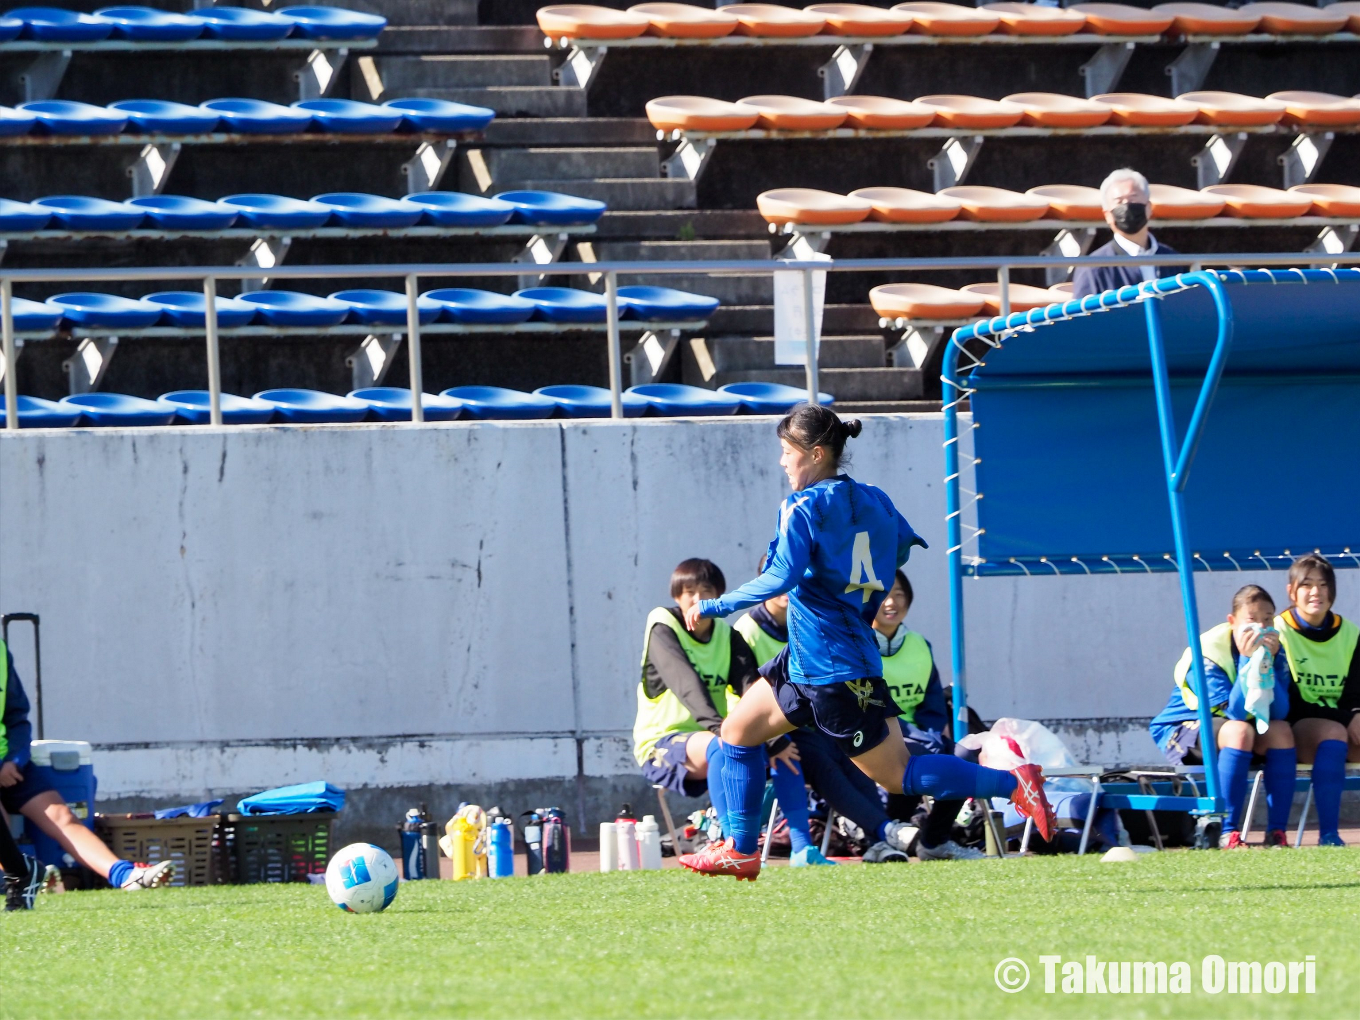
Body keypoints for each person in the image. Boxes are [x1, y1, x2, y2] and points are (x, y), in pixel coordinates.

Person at [677, 405, 1055, 880]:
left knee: (898, 775)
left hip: (832, 668)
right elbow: (903, 546)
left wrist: (714, 607)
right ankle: (741, 848)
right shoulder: (875, 498)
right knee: (735, 733)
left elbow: (779, 576)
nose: (782, 463)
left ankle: (1014, 782)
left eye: (786, 453)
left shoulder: (801, 507)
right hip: (813, 658)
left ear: (814, 454)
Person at [633, 558, 830, 866]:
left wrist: (774, 737)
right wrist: (722, 732)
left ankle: (803, 848)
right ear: (676, 596)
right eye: (689, 591)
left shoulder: (726, 636)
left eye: (706, 590)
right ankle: (734, 847)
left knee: (785, 752)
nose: (698, 598)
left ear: (720, 595)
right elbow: (687, 686)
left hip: (711, 735)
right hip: (663, 743)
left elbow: (752, 688)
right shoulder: (662, 625)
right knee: (723, 746)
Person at [736, 584, 917, 863]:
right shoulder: (747, 629)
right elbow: (742, 688)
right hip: (776, 733)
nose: (787, 587)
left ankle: (877, 841)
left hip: (816, 721)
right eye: (780, 578)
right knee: (820, 762)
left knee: (857, 762)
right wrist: (773, 741)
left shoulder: (806, 620)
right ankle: (884, 830)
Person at [0, 638, 174, 895]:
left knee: (62, 815)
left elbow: (17, 718)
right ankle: (20, 878)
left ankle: (125, 875)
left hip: (8, 764)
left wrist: (14, 759)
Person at [1147, 585, 1295, 848]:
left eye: (1268, 619)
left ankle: (1277, 833)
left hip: (1234, 731)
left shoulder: (1275, 649)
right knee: (1240, 730)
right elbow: (1235, 711)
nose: (1261, 627)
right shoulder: (1207, 653)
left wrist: (1267, 664)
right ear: (1232, 621)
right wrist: (1247, 662)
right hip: (1181, 731)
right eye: (1252, 620)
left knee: (1281, 731)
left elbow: (1280, 711)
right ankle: (1227, 832)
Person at [872, 570, 984, 860]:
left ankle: (933, 842)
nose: (891, 602)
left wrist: (931, 735)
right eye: (884, 593)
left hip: (919, 737)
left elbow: (933, 705)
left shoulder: (919, 644)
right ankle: (888, 834)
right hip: (873, 738)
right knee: (910, 754)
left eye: (899, 594)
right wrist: (915, 737)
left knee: (966, 756)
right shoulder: (853, 645)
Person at [1275, 554, 1360, 847]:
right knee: (1333, 732)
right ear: (1292, 592)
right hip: (1295, 725)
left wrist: (1356, 713)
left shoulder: (1349, 632)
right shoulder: (1278, 632)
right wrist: (1349, 719)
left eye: (1323, 585)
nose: (1316, 592)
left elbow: (1354, 692)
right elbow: (1290, 703)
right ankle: (1329, 836)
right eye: (1307, 584)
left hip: (1342, 721)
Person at [1071, 168, 1182, 299]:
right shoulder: (1093, 268)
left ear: (1148, 208)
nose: (1126, 206)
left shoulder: (1173, 259)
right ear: (1107, 215)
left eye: (1133, 199)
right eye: (1118, 201)